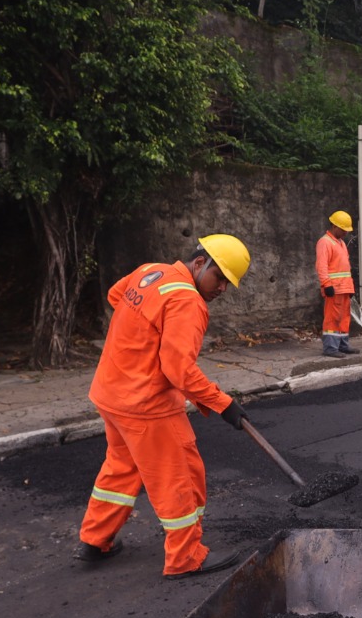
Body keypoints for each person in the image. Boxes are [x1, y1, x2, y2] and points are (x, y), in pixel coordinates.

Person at [75, 234, 252, 579]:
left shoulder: (150, 271)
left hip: (111, 395)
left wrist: (141, 342)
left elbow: (116, 296)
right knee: (181, 476)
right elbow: (179, 370)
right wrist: (223, 403)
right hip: (147, 406)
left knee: (121, 469)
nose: (222, 290)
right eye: (220, 278)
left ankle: (95, 541)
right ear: (200, 263)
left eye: (229, 283)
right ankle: (186, 557)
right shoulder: (187, 302)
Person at [316, 210, 359, 358]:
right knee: (332, 318)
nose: (345, 233)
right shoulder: (325, 242)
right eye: (343, 229)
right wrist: (326, 284)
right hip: (334, 288)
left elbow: (346, 267)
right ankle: (330, 348)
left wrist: (351, 287)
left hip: (344, 288)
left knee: (344, 318)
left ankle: (342, 345)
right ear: (334, 226)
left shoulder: (340, 243)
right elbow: (321, 266)